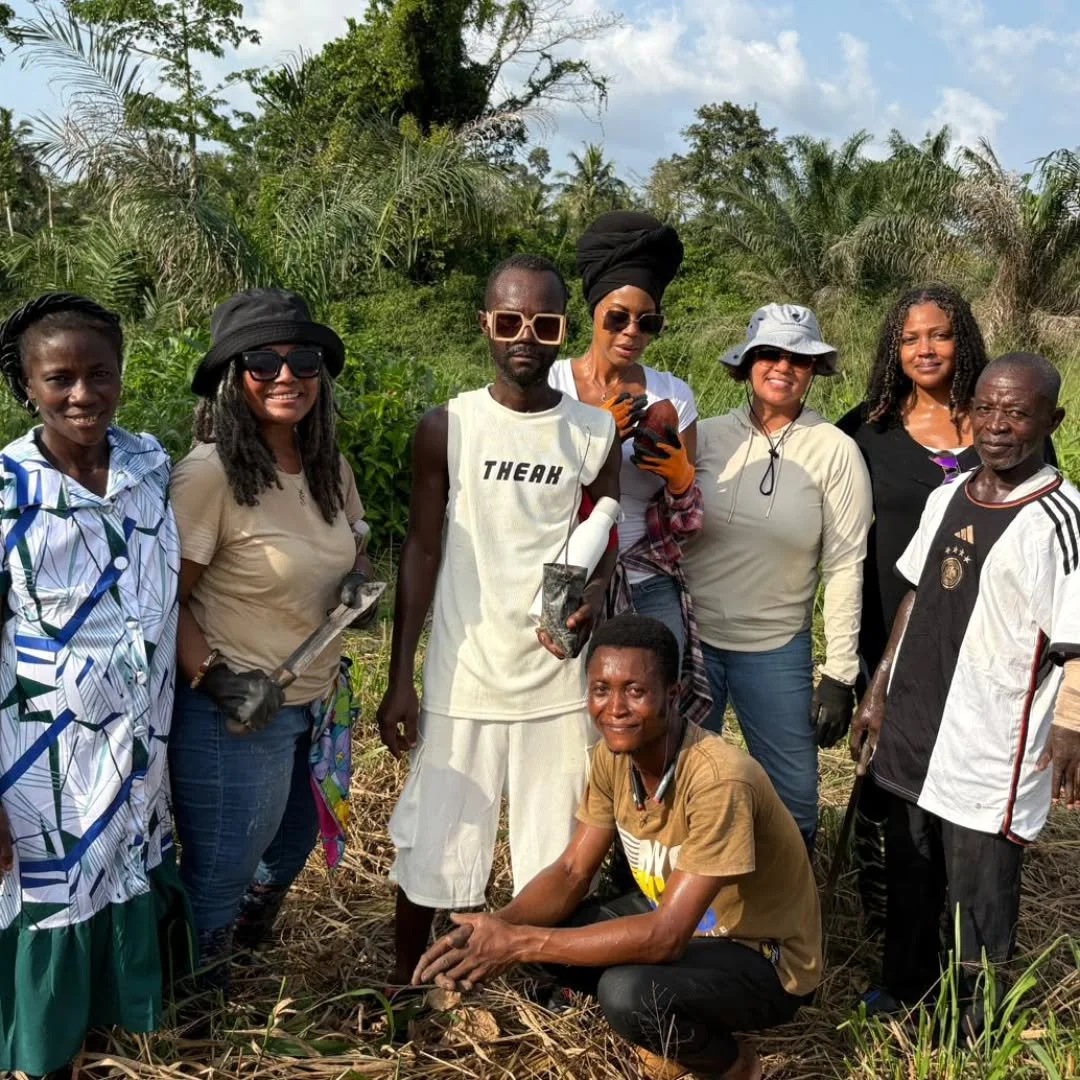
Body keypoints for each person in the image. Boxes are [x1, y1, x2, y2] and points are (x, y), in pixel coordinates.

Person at [411, 615, 821, 1080]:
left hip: (761, 957)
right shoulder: (613, 756)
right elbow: (570, 873)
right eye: (601, 689)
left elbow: (666, 937)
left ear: (674, 694)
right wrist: (497, 928)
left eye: (636, 691)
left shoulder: (718, 779)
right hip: (684, 921)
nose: (615, 708)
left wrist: (520, 944)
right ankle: (670, 1024)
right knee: (551, 925)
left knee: (626, 994)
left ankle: (733, 1065)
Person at [376, 254, 620, 988]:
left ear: (562, 332)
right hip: (464, 669)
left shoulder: (593, 431)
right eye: (509, 320)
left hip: (553, 673)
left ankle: (544, 981)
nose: (525, 337)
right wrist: (401, 681)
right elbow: (420, 552)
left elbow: (604, 545)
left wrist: (595, 599)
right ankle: (408, 986)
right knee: (436, 846)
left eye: (542, 324)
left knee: (555, 847)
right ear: (484, 323)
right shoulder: (447, 426)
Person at [850, 352, 1080, 1034]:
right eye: (987, 409)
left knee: (980, 889)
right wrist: (879, 690)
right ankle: (906, 987)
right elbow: (917, 592)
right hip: (919, 717)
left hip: (993, 737)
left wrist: (1070, 724)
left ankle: (976, 1020)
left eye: (1018, 412)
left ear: (1052, 420)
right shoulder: (948, 495)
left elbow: (1077, 638)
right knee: (914, 866)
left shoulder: (1062, 519)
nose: (999, 426)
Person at [0, 293, 191, 1078]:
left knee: (127, 867)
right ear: (26, 386)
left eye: (99, 375)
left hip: (141, 737)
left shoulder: (148, 463)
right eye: (60, 379)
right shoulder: (8, 491)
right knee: (53, 893)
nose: (83, 395)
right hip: (43, 751)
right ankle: (44, 1050)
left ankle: (115, 1021)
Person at [168, 288, 374, 984]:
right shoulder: (210, 475)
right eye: (262, 360)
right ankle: (194, 1000)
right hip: (234, 714)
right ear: (233, 377)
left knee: (288, 846)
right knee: (223, 865)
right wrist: (221, 681)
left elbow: (357, 542)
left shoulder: (326, 467)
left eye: (303, 358)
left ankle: (239, 947)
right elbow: (165, 604)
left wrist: (360, 584)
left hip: (311, 705)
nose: (286, 375)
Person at [681, 304, 872, 848]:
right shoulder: (709, 437)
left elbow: (843, 564)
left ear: (814, 370)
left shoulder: (836, 451)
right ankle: (672, 909)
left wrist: (838, 673)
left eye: (799, 357)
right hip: (693, 644)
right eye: (769, 353)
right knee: (680, 777)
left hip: (775, 647)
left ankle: (785, 919)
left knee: (793, 796)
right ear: (746, 364)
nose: (783, 367)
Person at [837, 284, 991, 936]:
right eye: (910, 338)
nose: (925, 349)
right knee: (889, 770)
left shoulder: (1003, 423)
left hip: (978, 636)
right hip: (887, 625)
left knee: (959, 767)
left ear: (964, 341)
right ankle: (885, 893)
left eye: (940, 334)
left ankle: (957, 896)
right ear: (894, 350)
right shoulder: (866, 430)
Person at [548, 213, 701, 665]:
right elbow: (534, 491)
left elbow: (688, 524)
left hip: (647, 577)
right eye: (618, 318)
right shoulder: (552, 385)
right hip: (567, 574)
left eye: (647, 322)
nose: (632, 332)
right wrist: (598, 436)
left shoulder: (672, 396)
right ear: (593, 312)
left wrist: (680, 479)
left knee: (652, 713)